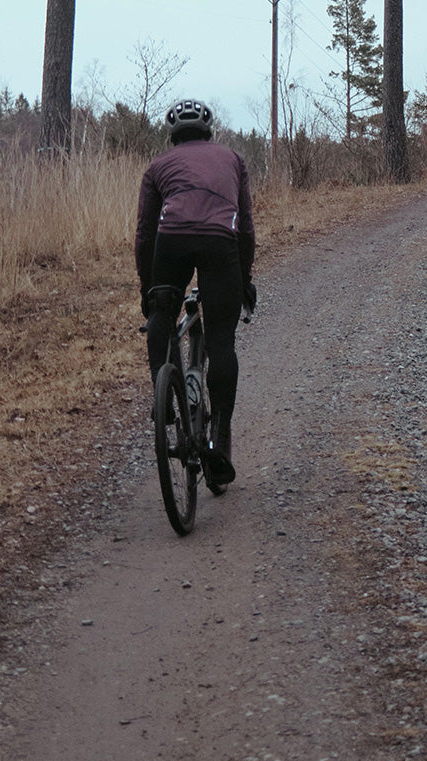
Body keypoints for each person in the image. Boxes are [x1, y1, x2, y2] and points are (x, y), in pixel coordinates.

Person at [135, 99, 256, 489]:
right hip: (221, 246)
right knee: (221, 344)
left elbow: (144, 235)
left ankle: (164, 404)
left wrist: (147, 290)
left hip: (171, 243)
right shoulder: (234, 160)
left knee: (161, 313)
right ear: (208, 132)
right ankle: (219, 443)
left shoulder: (157, 167)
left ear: (173, 136)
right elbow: (246, 232)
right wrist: (244, 281)